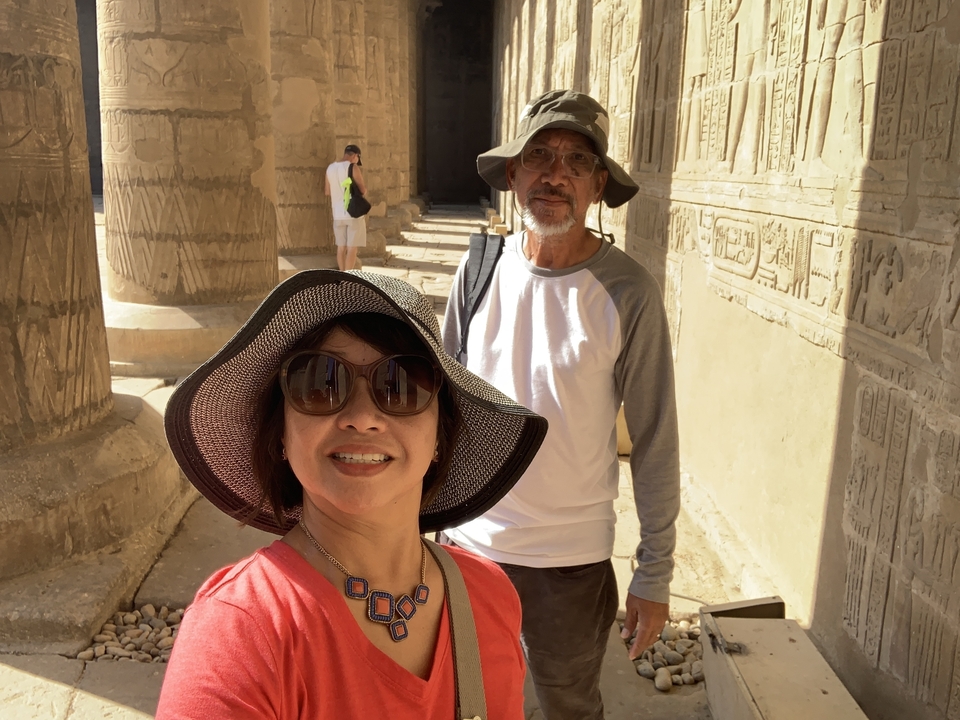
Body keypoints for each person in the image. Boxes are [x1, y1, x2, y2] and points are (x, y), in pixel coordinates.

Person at [157, 270, 548, 718]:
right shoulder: (239, 631)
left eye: (401, 385)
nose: (362, 418)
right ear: (280, 433)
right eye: (320, 383)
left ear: (440, 436)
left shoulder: (490, 596)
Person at [441, 89, 681, 719]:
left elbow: (655, 437)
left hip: (568, 565)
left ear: (598, 185)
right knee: (468, 700)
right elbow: (439, 409)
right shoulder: (479, 269)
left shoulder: (628, 292)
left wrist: (653, 572)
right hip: (469, 547)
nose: (555, 174)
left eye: (576, 161)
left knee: (568, 705)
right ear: (514, 174)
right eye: (540, 155)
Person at [324, 144, 367, 270]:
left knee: (341, 247)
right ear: (355, 156)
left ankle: (342, 276)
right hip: (353, 212)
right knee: (352, 247)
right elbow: (362, 190)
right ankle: (348, 277)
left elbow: (327, 191)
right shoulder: (352, 167)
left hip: (337, 213)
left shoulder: (330, 168)